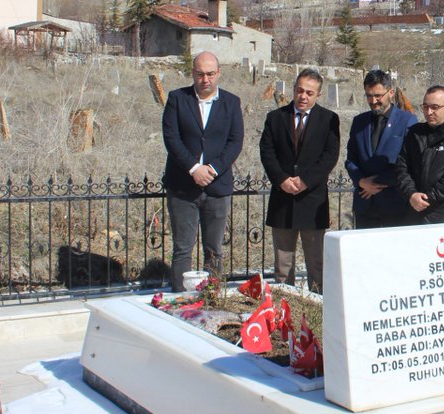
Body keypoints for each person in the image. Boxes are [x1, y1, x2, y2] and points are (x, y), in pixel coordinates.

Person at [161, 51, 245, 292]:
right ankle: (181, 301)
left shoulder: (231, 102)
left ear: (218, 73)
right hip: (183, 187)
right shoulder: (177, 99)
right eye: (200, 74)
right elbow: (171, 137)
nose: (205, 79)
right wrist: (194, 168)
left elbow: (235, 141)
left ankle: (212, 301)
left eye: (210, 74)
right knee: (182, 249)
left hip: (217, 188)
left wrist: (212, 168)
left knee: (214, 250)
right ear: (193, 74)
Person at [259, 68, 340, 293]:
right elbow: (267, 152)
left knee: (317, 265)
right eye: (300, 90)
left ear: (318, 95)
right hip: (282, 201)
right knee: (283, 266)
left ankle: (317, 311)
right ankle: (286, 310)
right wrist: (282, 179)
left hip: (312, 202)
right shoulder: (275, 118)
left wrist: (305, 181)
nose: (303, 96)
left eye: (309, 93)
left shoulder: (329, 120)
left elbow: (330, 156)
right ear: (294, 90)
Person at [394, 85, 444, 224]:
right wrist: (411, 194)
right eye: (425, 107)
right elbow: (401, 167)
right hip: (413, 210)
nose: (429, 112)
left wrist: (429, 198)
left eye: (435, 107)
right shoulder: (415, 133)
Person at [345, 69, 416, 228]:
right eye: (369, 95)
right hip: (364, 206)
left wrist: (375, 184)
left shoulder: (407, 121)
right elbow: (351, 160)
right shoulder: (359, 122)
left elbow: (408, 163)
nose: (373, 100)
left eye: (378, 95)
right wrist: (362, 181)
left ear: (390, 93)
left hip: (394, 205)